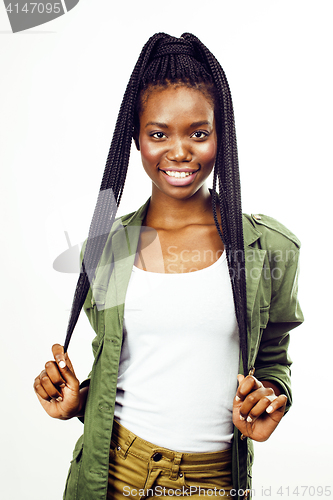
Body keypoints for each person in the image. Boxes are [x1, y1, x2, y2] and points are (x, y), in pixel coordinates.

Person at [33, 33, 304, 500]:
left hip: (214, 483)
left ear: (221, 136)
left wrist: (273, 394)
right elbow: (123, 363)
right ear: (136, 139)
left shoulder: (269, 248)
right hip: (111, 475)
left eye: (198, 133)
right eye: (158, 133)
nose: (179, 152)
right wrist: (79, 401)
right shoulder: (106, 248)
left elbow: (273, 355)